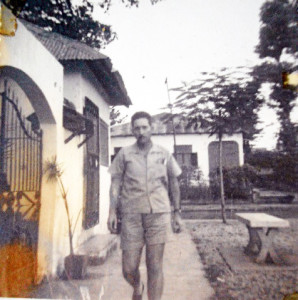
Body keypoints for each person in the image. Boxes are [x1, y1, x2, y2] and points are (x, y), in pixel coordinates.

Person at [108, 111, 183, 300]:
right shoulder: (124, 154)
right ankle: (137, 285)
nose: (141, 131)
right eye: (137, 128)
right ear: (132, 130)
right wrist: (111, 212)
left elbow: (174, 183)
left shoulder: (164, 153)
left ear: (151, 129)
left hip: (158, 214)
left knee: (155, 265)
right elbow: (115, 184)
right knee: (128, 268)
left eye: (144, 127)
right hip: (132, 215)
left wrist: (177, 213)